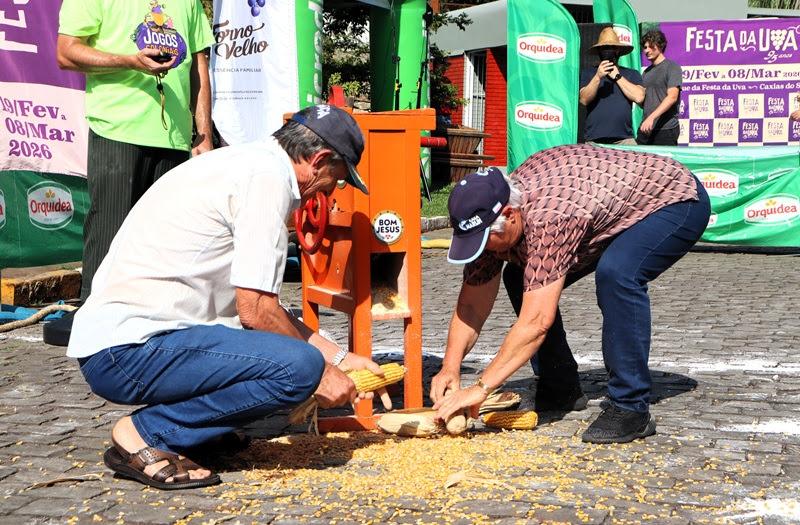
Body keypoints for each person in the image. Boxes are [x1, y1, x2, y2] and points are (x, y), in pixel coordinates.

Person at [66, 105, 385, 490]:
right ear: (317, 160)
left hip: (126, 342)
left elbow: (261, 309)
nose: (332, 191)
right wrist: (323, 370)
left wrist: (338, 356)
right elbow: (257, 312)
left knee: (295, 357)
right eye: (337, 178)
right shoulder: (268, 180)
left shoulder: (247, 162)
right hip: (130, 349)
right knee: (299, 369)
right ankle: (144, 432)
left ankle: (197, 433)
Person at [430, 145, 710, 444]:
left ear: (510, 214)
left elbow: (536, 322)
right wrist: (450, 366)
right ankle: (560, 387)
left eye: (485, 239)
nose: (482, 249)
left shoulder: (551, 218)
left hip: (673, 199)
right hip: (599, 205)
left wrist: (481, 388)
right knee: (519, 273)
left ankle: (631, 408)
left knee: (618, 274)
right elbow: (472, 305)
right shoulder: (491, 222)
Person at [50, 0, 215, 345]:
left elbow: (199, 65)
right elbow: (67, 52)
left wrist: (203, 134)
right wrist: (128, 61)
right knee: (110, 230)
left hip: (174, 137)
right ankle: (96, 323)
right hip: (117, 128)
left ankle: (159, 321)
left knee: (170, 239)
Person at [579, 27, 644, 145]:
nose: (607, 51)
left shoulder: (631, 73)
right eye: (603, 48)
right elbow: (583, 100)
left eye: (610, 48)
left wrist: (617, 76)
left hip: (624, 140)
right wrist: (598, 76)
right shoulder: (589, 73)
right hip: (595, 141)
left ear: (617, 50)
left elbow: (639, 97)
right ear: (599, 51)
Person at [637, 30, 682, 145]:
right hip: (646, 129)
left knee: (665, 163)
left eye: (651, 46)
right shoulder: (646, 72)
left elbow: (672, 97)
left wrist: (651, 118)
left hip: (666, 130)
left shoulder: (672, 67)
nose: (646, 50)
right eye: (645, 47)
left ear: (660, 45)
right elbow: (643, 101)